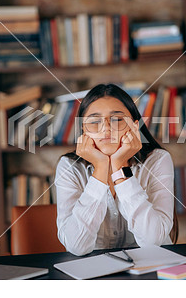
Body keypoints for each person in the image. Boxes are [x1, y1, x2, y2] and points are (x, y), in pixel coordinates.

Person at [55, 83, 178, 256]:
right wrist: (100, 168)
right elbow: (76, 245)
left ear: (135, 126)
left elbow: (153, 241)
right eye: (95, 121)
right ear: (83, 130)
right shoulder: (69, 167)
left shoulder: (157, 160)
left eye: (117, 120)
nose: (105, 128)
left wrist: (120, 166)